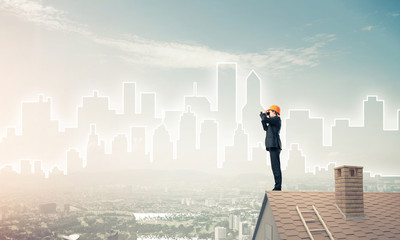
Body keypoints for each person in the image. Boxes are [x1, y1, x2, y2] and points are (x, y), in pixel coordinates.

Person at [259, 105, 282, 191]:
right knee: (274, 167)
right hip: (272, 146)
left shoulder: (277, 119)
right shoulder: (272, 123)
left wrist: (263, 115)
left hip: (275, 145)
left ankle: (278, 186)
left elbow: (265, 119)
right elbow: (265, 127)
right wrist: (263, 116)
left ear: (275, 112)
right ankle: (277, 186)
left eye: (270, 112)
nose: (269, 113)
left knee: (276, 167)